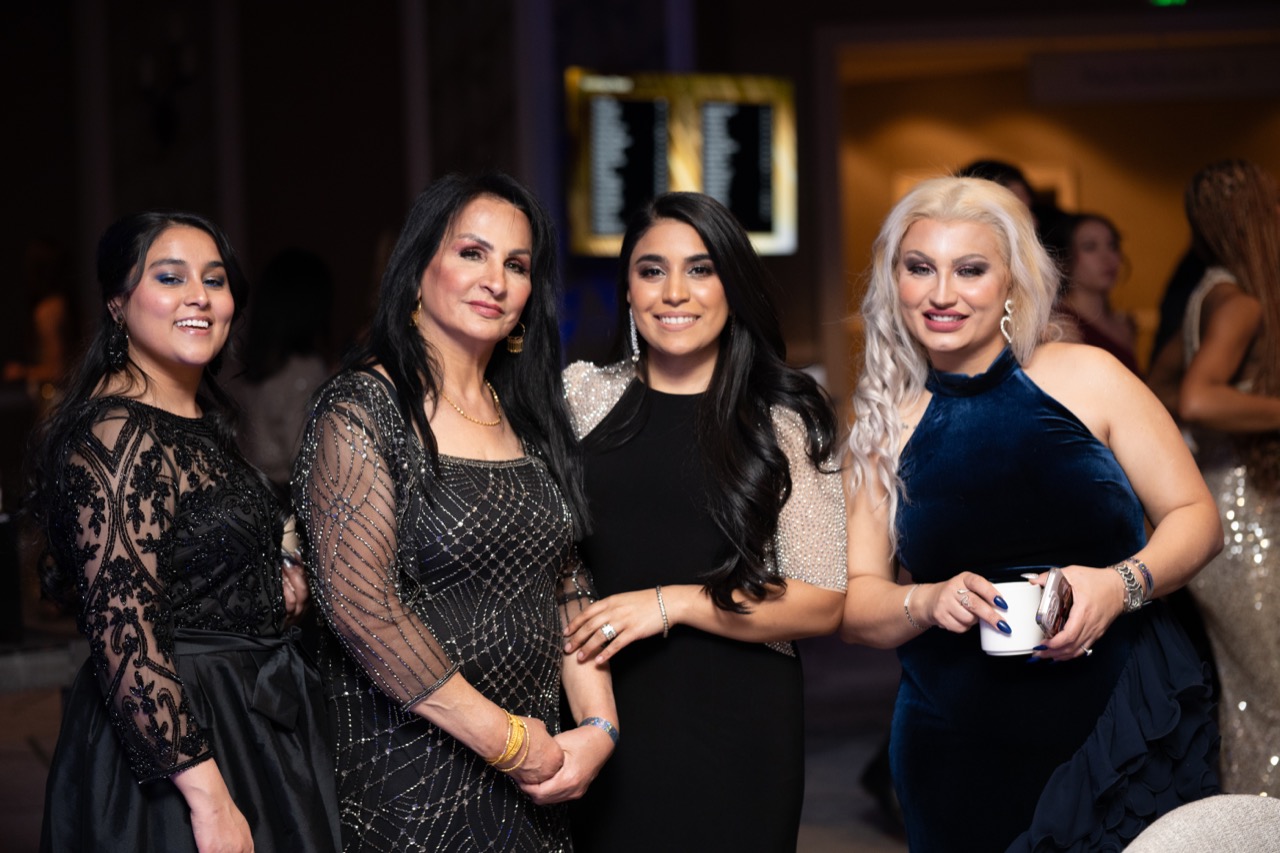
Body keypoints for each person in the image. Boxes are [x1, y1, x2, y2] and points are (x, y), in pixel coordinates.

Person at [842, 176, 1222, 851]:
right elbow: (858, 603)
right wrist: (927, 600)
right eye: (919, 267)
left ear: (1013, 283)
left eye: (970, 269)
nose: (941, 293)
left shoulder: (1088, 376)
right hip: (957, 751)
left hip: (1117, 725)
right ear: (893, 281)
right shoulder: (882, 425)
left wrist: (1118, 585)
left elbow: (1197, 517)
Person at [291, 172, 618, 852]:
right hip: (408, 772)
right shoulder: (362, 409)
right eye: (473, 253)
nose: (495, 280)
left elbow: (566, 581)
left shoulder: (530, 416)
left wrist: (597, 727)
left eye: (517, 265)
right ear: (417, 271)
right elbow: (362, 609)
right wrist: (510, 742)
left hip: (538, 774)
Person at [26, 212, 341, 852]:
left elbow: (196, 564)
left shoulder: (196, 421)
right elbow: (125, 634)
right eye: (170, 278)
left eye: (214, 280)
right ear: (118, 303)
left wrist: (271, 582)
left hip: (242, 717)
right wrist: (209, 800)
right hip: (178, 745)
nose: (199, 295)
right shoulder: (117, 435)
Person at [560, 192, 847, 852]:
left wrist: (673, 603)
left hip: (740, 724)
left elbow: (822, 600)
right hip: (602, 709)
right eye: (651, 270)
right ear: (628, 289)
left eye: (701, 269)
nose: (674, 292)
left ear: (732, 287)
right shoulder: (581, 397)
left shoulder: (784, 416)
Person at [1177, 159, 1280, 797]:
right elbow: (1197, 398)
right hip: (1240, 519)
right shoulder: (1238, 302)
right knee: (1270, 699)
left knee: (1252, 700)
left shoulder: (1212, 291)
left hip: (1230, 502)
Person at [226, 247, 335, 492]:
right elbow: (307, 459)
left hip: (248, 492)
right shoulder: (304, 370)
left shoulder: (241, 364)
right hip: (287, 498)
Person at [1052, 212, 1142, 375]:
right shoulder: (1058, 325)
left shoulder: (1124, 325)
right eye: (1090, 247)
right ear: (1066, 257)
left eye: (1112, 246)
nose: (1107, 258)